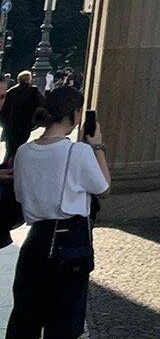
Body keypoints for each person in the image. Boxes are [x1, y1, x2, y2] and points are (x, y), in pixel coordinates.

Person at [6, 83, 109, 339]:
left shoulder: (24, 152)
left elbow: (20, 196)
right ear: (75, 115)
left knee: (25, 317)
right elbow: (104, 188)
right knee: (64, 320)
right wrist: (98, 147)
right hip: (71, 239)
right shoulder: (79, 152)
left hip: (36, 239)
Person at [1, 73, 42, 164]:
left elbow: (4, 110)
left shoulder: (11, 92)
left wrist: (5, 123)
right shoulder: (34, 92)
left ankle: (8, 163)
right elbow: (40, 107)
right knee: (19, 146)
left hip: (11, 125)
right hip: (25, 125)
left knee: (10, 148)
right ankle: (14, 164)